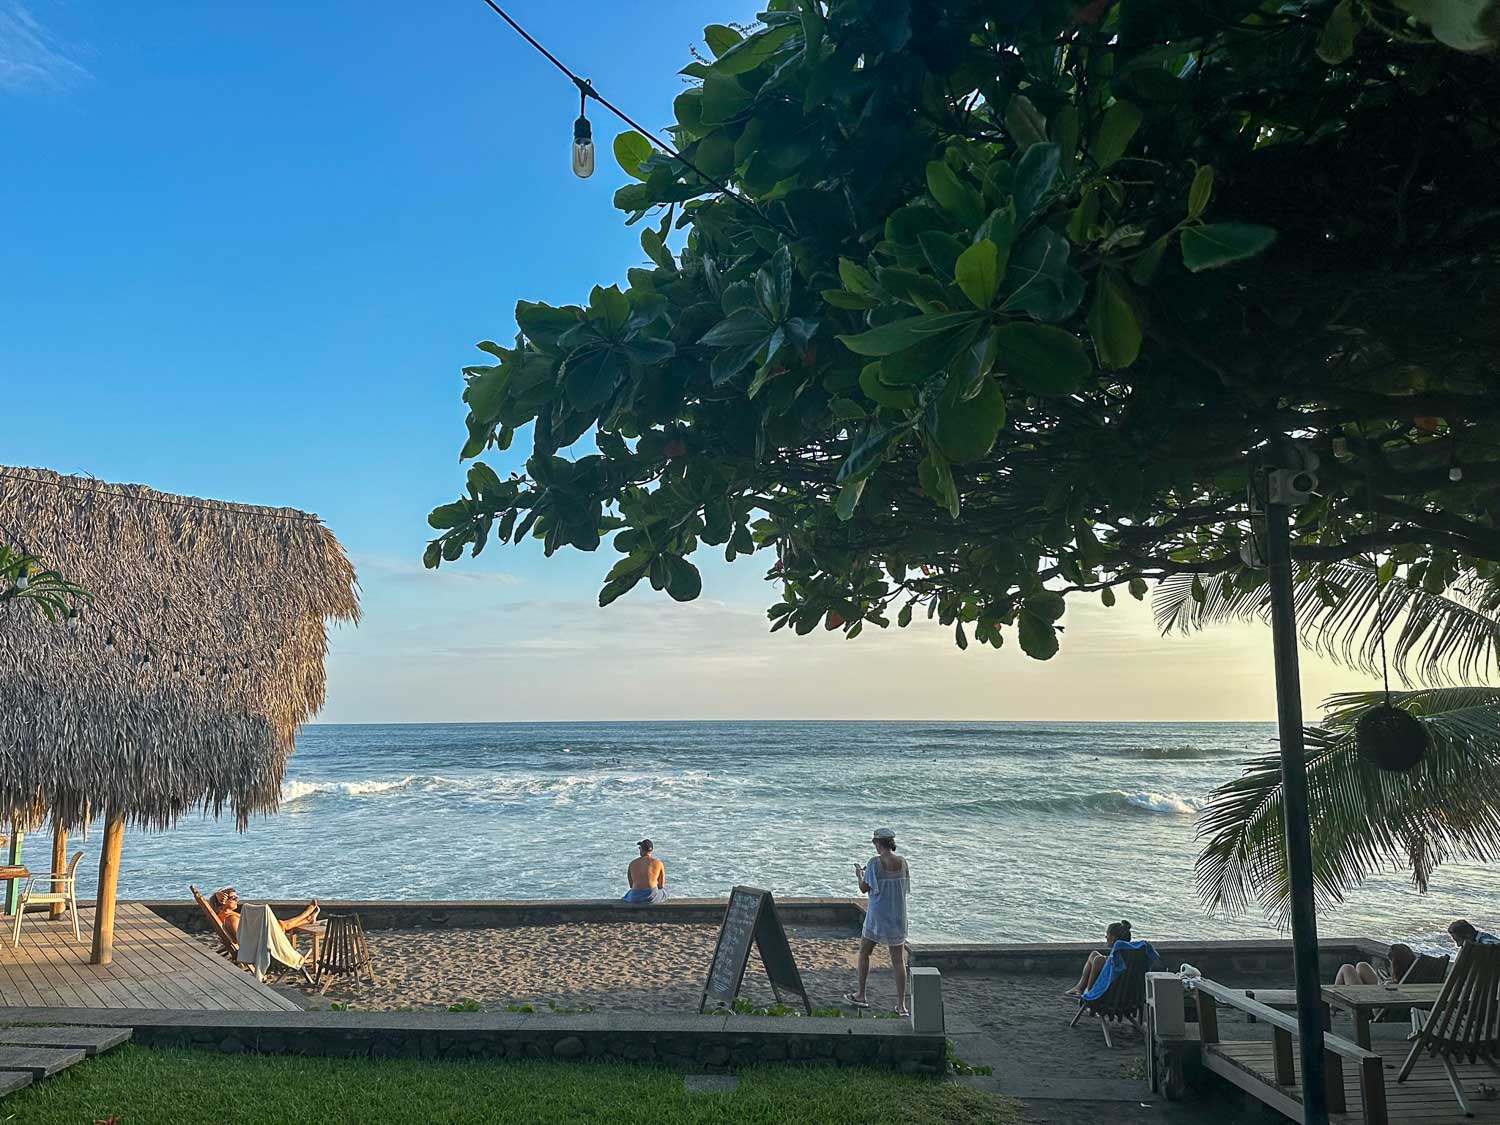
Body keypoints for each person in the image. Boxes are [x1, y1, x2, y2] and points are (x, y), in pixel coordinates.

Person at [844, 827, 911, 1016]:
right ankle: (901, 1005)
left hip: (878, 916)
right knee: (898, 961)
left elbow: (864, 889)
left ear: (877, 844)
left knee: (865, 953)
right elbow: (903, 887)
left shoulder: (874, 863)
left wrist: (859, 874)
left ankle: (861, 994)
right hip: (898, 915)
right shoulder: (903, 862)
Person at [207, 887, 318, 944]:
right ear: (223, 902)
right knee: (281, 924)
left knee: (280, 924)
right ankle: (307, 914)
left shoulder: (223, 915)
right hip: (259, 942)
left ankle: (308, 918)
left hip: (257, 936)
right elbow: (240, 940)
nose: (237, 900)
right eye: (234, 898)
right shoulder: (230, 918)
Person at [1064, 921, 1134, 1000]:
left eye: (1107, 935)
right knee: (1094, 954)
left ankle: (1087, 991)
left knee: (1098, 960)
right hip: (1128, 989)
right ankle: (1079, 987)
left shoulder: (1104, 960)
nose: (1106, 937)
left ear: (1113, 938)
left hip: (1112, 991)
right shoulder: (1131, 957)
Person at [1333, 942, 1417, 986]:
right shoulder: (1412, 974)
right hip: (1381, 988)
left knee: (1346, 968)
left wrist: (1385, 984)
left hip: (1369, 1001)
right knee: (1362, 965)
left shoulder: (1391, 985)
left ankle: (1333, 1007)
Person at [622, 839, 666, 904]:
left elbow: (631, 886)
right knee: (665, 892)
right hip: (651, 896)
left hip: (635, 897)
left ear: (641, 849)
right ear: (651, 850)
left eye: (639, 848)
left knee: (627, 895)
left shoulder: (632, 863)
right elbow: (661, 886)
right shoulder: (659, 863)